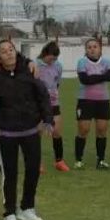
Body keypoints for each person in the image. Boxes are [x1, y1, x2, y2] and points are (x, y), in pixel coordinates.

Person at [0, 39, 53, 220]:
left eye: (11, 49)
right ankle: (9, 212)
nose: (8, 53)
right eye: (3, 51)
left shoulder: (29, 71)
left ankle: (27, 208)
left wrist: (47, 118)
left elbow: (43, 96)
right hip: (6, 133)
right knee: (9, 174)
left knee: (33, 170)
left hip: (31, 130)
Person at [74, 38, 110, 170]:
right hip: (85, 100)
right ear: (86, 50)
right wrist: (103, 76)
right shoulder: (81, 62)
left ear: (100, 48)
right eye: (89, 47)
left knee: (102, 130)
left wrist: (95, 78)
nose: (92, 49)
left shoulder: (107, 61)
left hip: (103, 100)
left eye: (95, 46)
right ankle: (78, 160)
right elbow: (85, 80)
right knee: (83, 130)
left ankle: (101, 160)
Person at [37, 42, 69, 172]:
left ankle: (59, 161)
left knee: (56, 132)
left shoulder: (58, 66)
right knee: (37, 132)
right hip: (38, 104)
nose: (53, 61)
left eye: (55, 59)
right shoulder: (35, 65)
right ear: (45, 54)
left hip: (54, 103)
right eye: (51, 58)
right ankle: (38, 163)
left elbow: (57, 83)